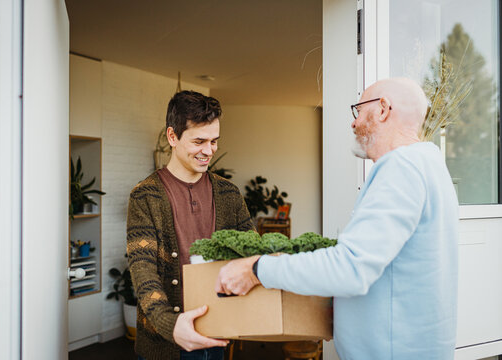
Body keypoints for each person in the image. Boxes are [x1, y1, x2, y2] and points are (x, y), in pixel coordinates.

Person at [215, 78, 459, 360]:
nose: (354, 124)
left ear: (382, 109)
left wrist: (257, 269)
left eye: (358, 110)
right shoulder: (429, 165)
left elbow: (352, 268)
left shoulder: (400, 168)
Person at [126, 90, 255, 360]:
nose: (209, 151)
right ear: (172, 136)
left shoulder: (229, 194)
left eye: (214, 141)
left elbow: (254, 253)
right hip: (165, 344)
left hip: (217, 335)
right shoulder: (145, 195)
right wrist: (172, 327)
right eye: (199, 141)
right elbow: (142, 271)